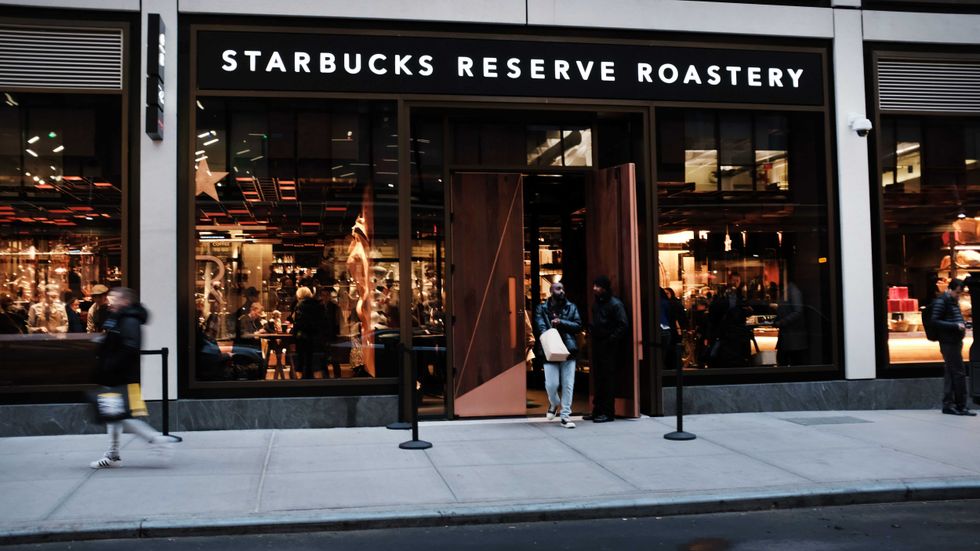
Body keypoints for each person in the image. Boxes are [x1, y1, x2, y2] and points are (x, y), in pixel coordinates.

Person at [90, 287, 176, 468]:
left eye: (114, 299)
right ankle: (113, 454)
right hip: (118, 376)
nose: (109, 302)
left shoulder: (129, 320)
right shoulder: (120, 318)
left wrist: (110, 364)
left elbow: (129, 347)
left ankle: (157, 440)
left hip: (123, 377)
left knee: (121, 416)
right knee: (114, 415)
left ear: (125, 301)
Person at [534, 281, 582, 429]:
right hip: (550, 349)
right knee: (551, 384)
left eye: (562, 288)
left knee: (568, 384)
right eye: (558, 289)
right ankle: (554, 402)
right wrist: (550, 334)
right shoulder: (542, 308)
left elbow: (578, 325)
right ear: (551, 291)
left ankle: (565, 416)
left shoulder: (571, 307)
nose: (561, 291)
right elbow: (540, 326)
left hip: (568, 349)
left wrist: (561, 322)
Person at [930, 278, 976, 416]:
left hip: (954, 341)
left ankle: (948, 405)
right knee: (958, 373)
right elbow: (935, 321)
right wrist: (955, 325)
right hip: (948, 342)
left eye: (960, 293)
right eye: (957, 292)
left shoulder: (952, 301)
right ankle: (960, 405)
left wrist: (961, 324)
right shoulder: (942, 301)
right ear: (949, 289)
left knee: (951, 373)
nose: (958, 295)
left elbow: (951, 318)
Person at [588, 275, 628, 423]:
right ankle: (597, 411)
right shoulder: (597, 303)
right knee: (598, 378)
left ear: (604, 288)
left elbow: (623, 324)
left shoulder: (615, 304)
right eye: (594, 285)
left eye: (598, 286)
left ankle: (608, 412)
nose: (594, 288)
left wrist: (610, 339)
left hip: (609, 346)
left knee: (607, 379)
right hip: (599, 343)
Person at [291, 286, 325, 379]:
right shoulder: (318, 304)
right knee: (313, 360)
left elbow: (298, 322)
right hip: (316, 336)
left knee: (302, 358)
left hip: (303, 336)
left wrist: (294, 334)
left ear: (299, 295)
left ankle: (302, 379)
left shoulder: (299, 305)